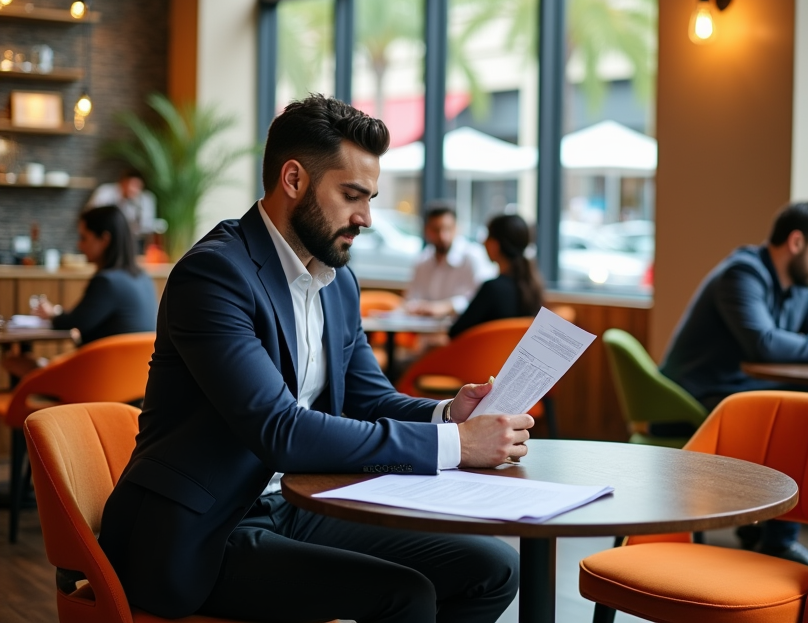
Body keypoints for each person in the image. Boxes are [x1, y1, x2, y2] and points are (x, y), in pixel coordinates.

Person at [98, 94, 532, 623]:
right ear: (294, 180)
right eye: (352, 195)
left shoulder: (337, 281)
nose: (366, 218)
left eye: (370, 198)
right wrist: (456, 446)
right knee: (406, 595)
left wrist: (447, 415)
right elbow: (280, 430)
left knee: (493, 567)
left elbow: (369, 397)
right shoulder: (213, 276)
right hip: (202, 529)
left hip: (297, 504)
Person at [659, 201, 808, 566]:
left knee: (803, 406)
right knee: (803, 411)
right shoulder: (742, 274)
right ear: (795, 242)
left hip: (732, 394)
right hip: (694, 400)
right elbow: (763, 342)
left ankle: (767, 528)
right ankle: (778, 539)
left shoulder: (795, 288)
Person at [5, 206, 157, 378]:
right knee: (36, 363)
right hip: (133, 384)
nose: (79, 245)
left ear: (104, 239)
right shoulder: (143, 278)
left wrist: (53, 314)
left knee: (15, 362)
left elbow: (74, 322)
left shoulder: (107, 282)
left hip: (97, 384)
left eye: (84, 238)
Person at [449, 214, 544, 339]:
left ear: (495, 245)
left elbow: (455, 332)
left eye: (487, 236)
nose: (483, 242)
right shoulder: (532, 285)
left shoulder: (492, 288)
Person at [404, 201, 496, 318]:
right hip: (425, 330)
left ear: (457, 228)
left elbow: (483, 299)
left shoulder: (473, 256)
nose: (443, 236)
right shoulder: (423, 260)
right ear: (427, 231)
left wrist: (445, 307)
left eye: (448, 229)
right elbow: (411, 299)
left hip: (463, 332)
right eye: (436, 230)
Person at [86, 167, 157, 240]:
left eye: (138, 186)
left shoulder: (145, 199)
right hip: (103, 237)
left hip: (132, 239)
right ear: (122, 182)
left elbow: (147, 226)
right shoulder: (105, 193)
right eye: (132, 185)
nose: (134, 190)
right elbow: (90, 216)